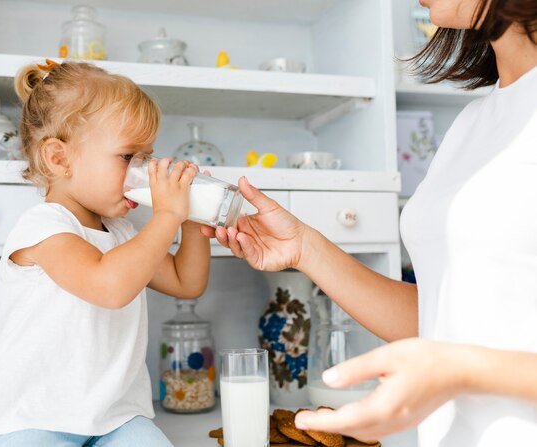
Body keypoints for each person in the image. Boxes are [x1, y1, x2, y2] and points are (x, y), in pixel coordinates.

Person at [202, 1, 537, 446]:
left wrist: (454, 369)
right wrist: (305, 248)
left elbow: (453, 351)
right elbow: (441, 317)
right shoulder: (474, 121)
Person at [0, 60, 211, 446]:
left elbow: (187, 282)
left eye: (146, 157)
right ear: (59, 159)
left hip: (111, 416)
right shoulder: (44, 228)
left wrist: (192, 220)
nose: (142, 171)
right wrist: (167, 214)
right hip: (26, 414)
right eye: (127, 157)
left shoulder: (121, 233)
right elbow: (108, 286)